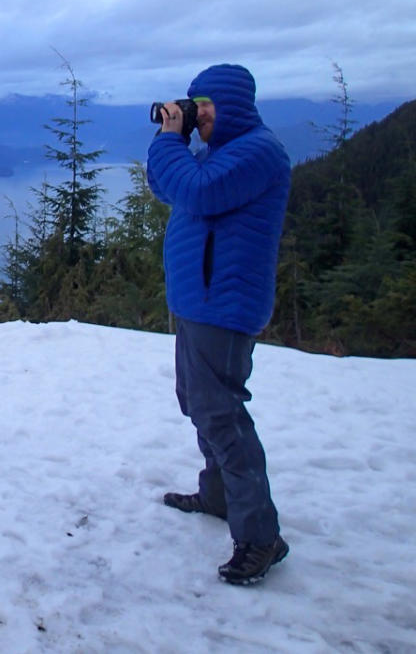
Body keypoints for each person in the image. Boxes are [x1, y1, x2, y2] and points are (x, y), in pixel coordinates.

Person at [146, 63, 291, 586]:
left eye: (204, 105)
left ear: (231, 106)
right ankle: (219, 495)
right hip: (199, 300)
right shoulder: (215, 152)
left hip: (224, 305)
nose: (197, 113)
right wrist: (174, 139)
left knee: (221, 414)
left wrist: (170, 139)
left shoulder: (258, 151)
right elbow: (168, 187)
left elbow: (199, 193)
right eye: (193, 103)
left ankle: (260, 538)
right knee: (197, 402)